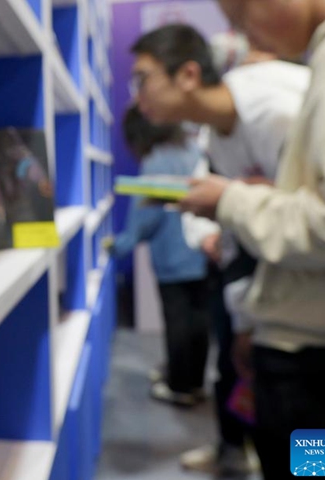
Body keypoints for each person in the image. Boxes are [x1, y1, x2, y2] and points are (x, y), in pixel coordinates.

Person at [180, 1, 325, 478]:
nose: (245, 33)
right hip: (313, 348)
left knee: (310, 473)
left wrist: (232, 202)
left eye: (240, 12)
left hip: (313, 360)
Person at [130, 23, 310, 474]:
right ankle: (234, 449)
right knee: (279, 431)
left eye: (144, 78)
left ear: (188, 74)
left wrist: (232, 202)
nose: (138, 96)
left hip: (317, 333)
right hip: (275, 315)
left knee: (313, 449)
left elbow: (322, 222)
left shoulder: (278, 110)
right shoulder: (219, 135)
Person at [107, 104, 209, 407]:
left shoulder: (156, 160)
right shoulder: (194, 150)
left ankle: (179, 387)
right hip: (202, 253)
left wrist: (119, 245)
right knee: (198, 322)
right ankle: (195, 383)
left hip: (171, 258)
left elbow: (146, 216)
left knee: (177, 322)